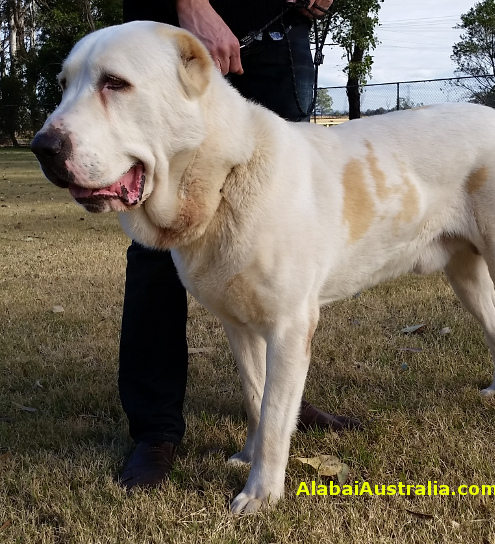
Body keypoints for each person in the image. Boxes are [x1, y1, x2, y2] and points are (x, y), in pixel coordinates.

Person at [119, 0, 361, 491]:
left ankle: (278, 406)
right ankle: (156, 427)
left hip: (275, 39)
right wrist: (192, 7)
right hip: (173, 42)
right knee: (161, 232)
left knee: (282, 242)